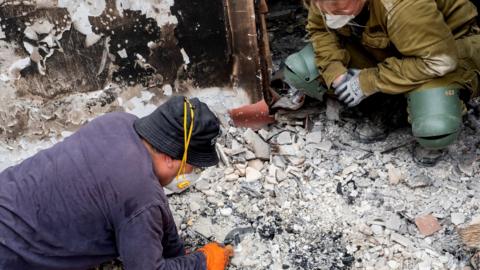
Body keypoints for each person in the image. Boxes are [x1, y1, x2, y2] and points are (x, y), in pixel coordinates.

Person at [0, 96, 233, 269]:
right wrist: (202, 263)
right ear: (170, 158)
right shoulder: (139, 195)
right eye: (193, 166)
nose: (192, 172)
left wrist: (177, 251)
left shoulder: (119, 122)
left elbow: (152, 209)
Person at [282, 0, 479, 152]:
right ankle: (386, 105)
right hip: (386, 47)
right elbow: (320, 30)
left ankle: (413, 109)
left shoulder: (403, 7)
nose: (330, 14)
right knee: (302, 69)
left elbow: (439, 61)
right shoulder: (324, 2)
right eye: (324, 8)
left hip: (444, 50)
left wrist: (367, 81)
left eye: (339, 10)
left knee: (435, 126)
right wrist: (335, 72)